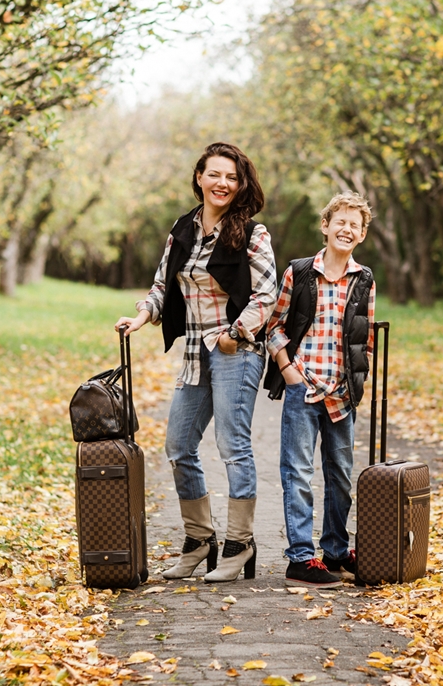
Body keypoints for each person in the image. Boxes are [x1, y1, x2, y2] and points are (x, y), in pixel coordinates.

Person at [116, 143, 277, 582]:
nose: (223, 183)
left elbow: (266, 296)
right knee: (179, 445)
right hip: (193, 354)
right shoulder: (182, 229)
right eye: (215, 175)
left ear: (240, 184)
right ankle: (199, 539)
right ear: (200, 178)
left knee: (232, 446)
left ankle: (240, 544)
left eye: (232, 177)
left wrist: (233, 335)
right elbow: (161, 285)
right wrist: (142, 315)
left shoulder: (252, 234)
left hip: (235, 353)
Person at [263, 192, 376, 588]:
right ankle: (300, 557)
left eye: (355, 226)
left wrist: (357, 374)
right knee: (297, 472)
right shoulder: (299, 272)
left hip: (341, 393)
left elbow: (365, 337)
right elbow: (274, 326)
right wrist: (287, 368)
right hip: (303, 387)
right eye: (340, 222)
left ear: (361, 235)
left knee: (340, 475)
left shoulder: (364, 280)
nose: (346, 230)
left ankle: (335, 550)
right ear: (325, 226)